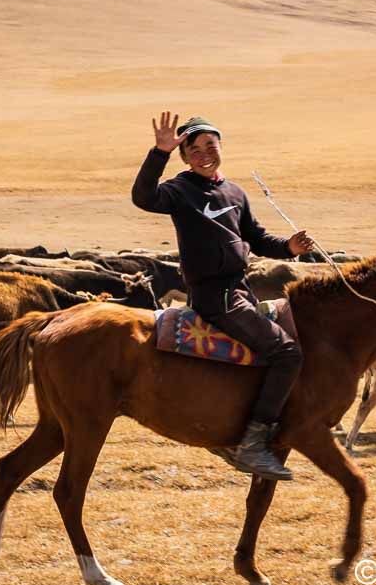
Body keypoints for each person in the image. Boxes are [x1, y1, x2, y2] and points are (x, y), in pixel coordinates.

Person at [132, 111, 315, 480]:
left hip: (240, 292)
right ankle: (251, 443)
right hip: (214, 297)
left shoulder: (234, 193)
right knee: (287, 353)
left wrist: (290, 247)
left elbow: (258, 239)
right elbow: (143, 197)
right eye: (193, 149)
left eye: (210, 146)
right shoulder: (179, 190)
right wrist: (159, 153)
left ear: (220, 148)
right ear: (184, 156)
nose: (203, 154)